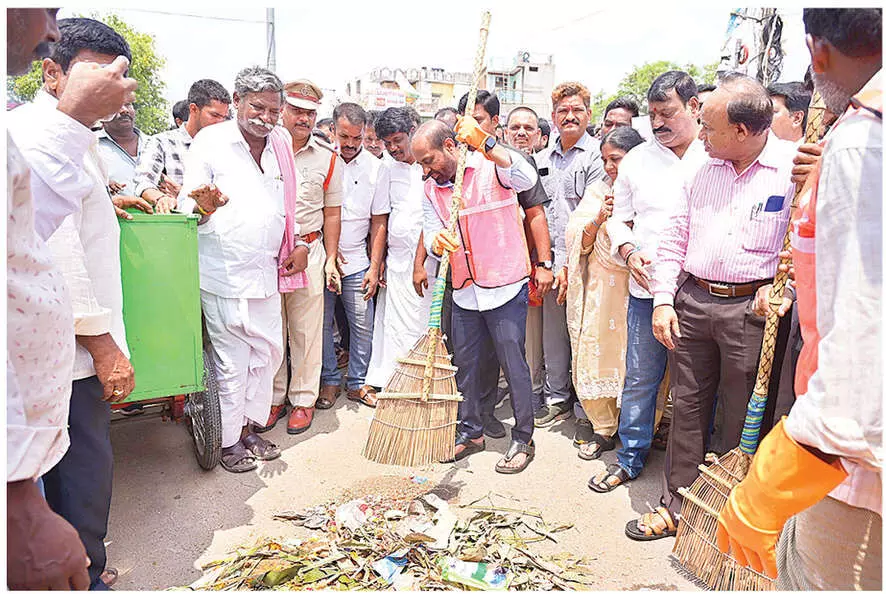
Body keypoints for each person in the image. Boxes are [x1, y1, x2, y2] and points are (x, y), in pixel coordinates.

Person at [718, 8, 882, 589]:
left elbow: (866, 344)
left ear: (817, 51)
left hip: (858, 477)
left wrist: (770, 488)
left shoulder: (864, 142)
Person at [624, 73, 797, 541]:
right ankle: (676, 507)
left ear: (742, 131)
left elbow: (810, 241)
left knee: (745, 418)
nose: (699, 134)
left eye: (709, 127)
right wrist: (663, 300)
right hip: (695, 302)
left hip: (754, 311)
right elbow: (675, 235)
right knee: (688, 408)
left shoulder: (794, 169)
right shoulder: (699, 166)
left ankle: (730, 515)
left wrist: (785, 286)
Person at [7, 7, 136, 590]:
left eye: (117, 74)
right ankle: (84, 577)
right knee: (80, 478)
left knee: (74, 472)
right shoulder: (39, 130)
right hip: (71, 352)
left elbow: (70, 207)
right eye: (95, 71)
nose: (111, 86)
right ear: (52, 73)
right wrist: (105, 348)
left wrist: (110, 200)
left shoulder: (77, 135)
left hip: (67, 348)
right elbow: (54, 252)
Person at [594, 71, 708, 494]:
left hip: (699, 293)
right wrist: (628, 251)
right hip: (646, 290)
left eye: (668, 113)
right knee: (641, 378)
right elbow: (618, 220)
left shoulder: (714, 154)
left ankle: (697, 475)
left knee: (696, 387)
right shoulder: (638, 160)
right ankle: (629, 457)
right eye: (653, 114)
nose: (658, 123)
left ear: (694, 107)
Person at [177, 66, 294, 473]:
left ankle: (247, 428)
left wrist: (293, 244)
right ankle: (228, 442)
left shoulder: (280, 142)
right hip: (224, 271)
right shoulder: (211, 141)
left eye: (274, 111)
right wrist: (204, 207)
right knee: (231, 361)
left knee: (267, 355)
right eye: (258, 107)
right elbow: (188, 204)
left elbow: (285, 201)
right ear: (237, 101)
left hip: (266, 270)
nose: (266, 117)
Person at [415, 118, 542, 473]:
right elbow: (430, 231)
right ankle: (471, 432)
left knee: (513, 364)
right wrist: (436, 242)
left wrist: (488, 143)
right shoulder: (431, 189)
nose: (425, 171)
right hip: (464, 291)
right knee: (466, 366)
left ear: (450, 147)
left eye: (429, 161)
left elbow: (526, 179)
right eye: (420, 164)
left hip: (505, 286)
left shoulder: (491, 165)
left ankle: (524, 438)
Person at [457, 91, 553, 435]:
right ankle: (479, 420)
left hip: (507, 276)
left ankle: (523, 435)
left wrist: (544, 263)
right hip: (466, 282)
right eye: (465, 121)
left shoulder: (508, 161)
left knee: (511, 356)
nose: (468, 128)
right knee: (474, 359)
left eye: (478, 120)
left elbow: (535, 213)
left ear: (493, 123)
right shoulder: (454, 163)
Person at [263, 79, 345, 435]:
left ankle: (302, 400)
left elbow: (332, 213)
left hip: (309, 251)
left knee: (307, 331)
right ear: (282, 109)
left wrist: (330, 259)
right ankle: (272, 398)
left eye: (310, 113)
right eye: (297, 110)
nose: (304, 119)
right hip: (267, 252)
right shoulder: (262, 149)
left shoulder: (327, 158)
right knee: (270, 328)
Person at [565, 126, 644, 462]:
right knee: (597, 354)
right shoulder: (598, 190)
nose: (610, 166)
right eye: (605, 160)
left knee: (636, 360)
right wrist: (599, 218)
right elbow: (578, 242)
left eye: (617, 159)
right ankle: (603, 429)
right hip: (601, 288)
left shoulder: (649, 189)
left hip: (636, 288)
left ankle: (639, 429)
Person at [533, 82, 605, 440]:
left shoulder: (597, 156)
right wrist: (546, 262)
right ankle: (556, 398)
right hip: (550, 263)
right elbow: (537, 212)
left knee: (586, 336)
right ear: (553, 116)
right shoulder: (541, 159)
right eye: (563, 111)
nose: (570, 116)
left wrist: (567, 263)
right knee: (553, 334)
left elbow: (590, 213)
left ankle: (586, 408)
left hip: (587, 262)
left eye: (577, 110)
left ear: (589, 114)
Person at [319, 103, 390, 408]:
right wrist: (328, 254)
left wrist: (374, 267)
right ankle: (329, 381)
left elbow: (379, 222)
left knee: (363, 324)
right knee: (321, 325)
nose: (349, 144)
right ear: (333, 130)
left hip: (358, 260)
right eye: (344, 136)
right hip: (322, 258)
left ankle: (358, 382)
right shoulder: (322, 161)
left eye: (356, 138)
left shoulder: (377, 168)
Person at [364, 107, 436, 388]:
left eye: (398, 140)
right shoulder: (386, 169)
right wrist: (375, 264)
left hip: (429, 263)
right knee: (395, 327)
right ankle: (395, 384)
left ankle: (422, 385)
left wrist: (421, 262)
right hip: (396, 264)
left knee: (424, 323)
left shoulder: (430, 165)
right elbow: (380, 220)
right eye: (387, 143)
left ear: (412, 132)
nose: (393, 148)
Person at [133, 78, 231, 213]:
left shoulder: (227, 147)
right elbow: (143, 183)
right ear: (194, 109)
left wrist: (183, 195)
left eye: (224, 117)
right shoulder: (162, 142)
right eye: (214, 115)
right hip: (180, 224)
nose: (220, 122)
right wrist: (161, 198)